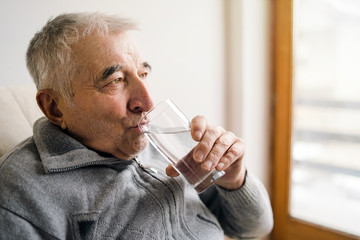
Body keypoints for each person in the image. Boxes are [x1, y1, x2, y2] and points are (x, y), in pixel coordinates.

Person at [0, 12, 273, 239]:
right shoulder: (21, 192)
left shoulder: (165, 142)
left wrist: (234, 180)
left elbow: (253, 229)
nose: (147, 101)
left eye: (143, 74)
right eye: (116, 80)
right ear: (55, 107)